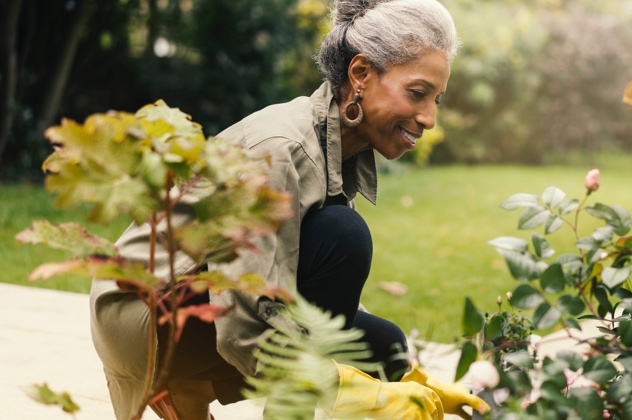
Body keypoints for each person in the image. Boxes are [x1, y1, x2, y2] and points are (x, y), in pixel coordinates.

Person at [90, 0, 489, 419]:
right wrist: (343, 390)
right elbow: (241, 323)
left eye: (436, 100)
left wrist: (410, 380)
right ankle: (193, 386)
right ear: (360, 74)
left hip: (192, 300)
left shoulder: (336, 144)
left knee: (384, 345)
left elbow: (300, 278)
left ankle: (194, 385)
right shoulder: (283, 150)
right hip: (143, 312)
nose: (428, 118)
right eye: (418, 93)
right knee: (343, 236)